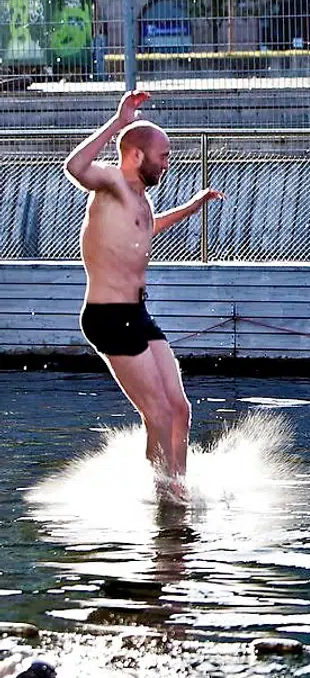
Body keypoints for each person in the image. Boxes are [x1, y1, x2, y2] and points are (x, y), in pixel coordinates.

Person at [63, 90, 223, 491]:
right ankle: (163, 496)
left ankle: (178, 485)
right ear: (136, 155)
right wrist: (119, 122)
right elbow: (75, 165)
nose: (167, 164)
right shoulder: (112, 184)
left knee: (179, 409)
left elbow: (147, 230)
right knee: (158, 414)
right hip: (109, 317)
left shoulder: (140, 199)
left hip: (137, 313)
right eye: (163, 156)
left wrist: (191, 206)